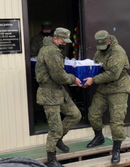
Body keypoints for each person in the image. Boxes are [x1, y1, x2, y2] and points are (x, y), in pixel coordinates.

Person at [35, 27, 82, 167]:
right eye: (63, 40)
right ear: (55, 38)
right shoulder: (50, 51)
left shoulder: (54, 50)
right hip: (49, 94)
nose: (64, 43)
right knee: (54, 128)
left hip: (59, 92)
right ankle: (51, 159)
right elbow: (58, 75)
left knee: (75, 115)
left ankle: (58, 138)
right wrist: (74, 79)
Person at [83, 30, 130, 164]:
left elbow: (114, 74)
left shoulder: (118, 52)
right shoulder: (99, 52)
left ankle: (116, 149)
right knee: (93, 114)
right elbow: (95, 67)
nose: (101, 49)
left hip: (118, 88)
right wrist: (85, 77)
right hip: (103, 88)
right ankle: (99, 136)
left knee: (116, 121)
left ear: (109, 41)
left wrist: (93, 80)